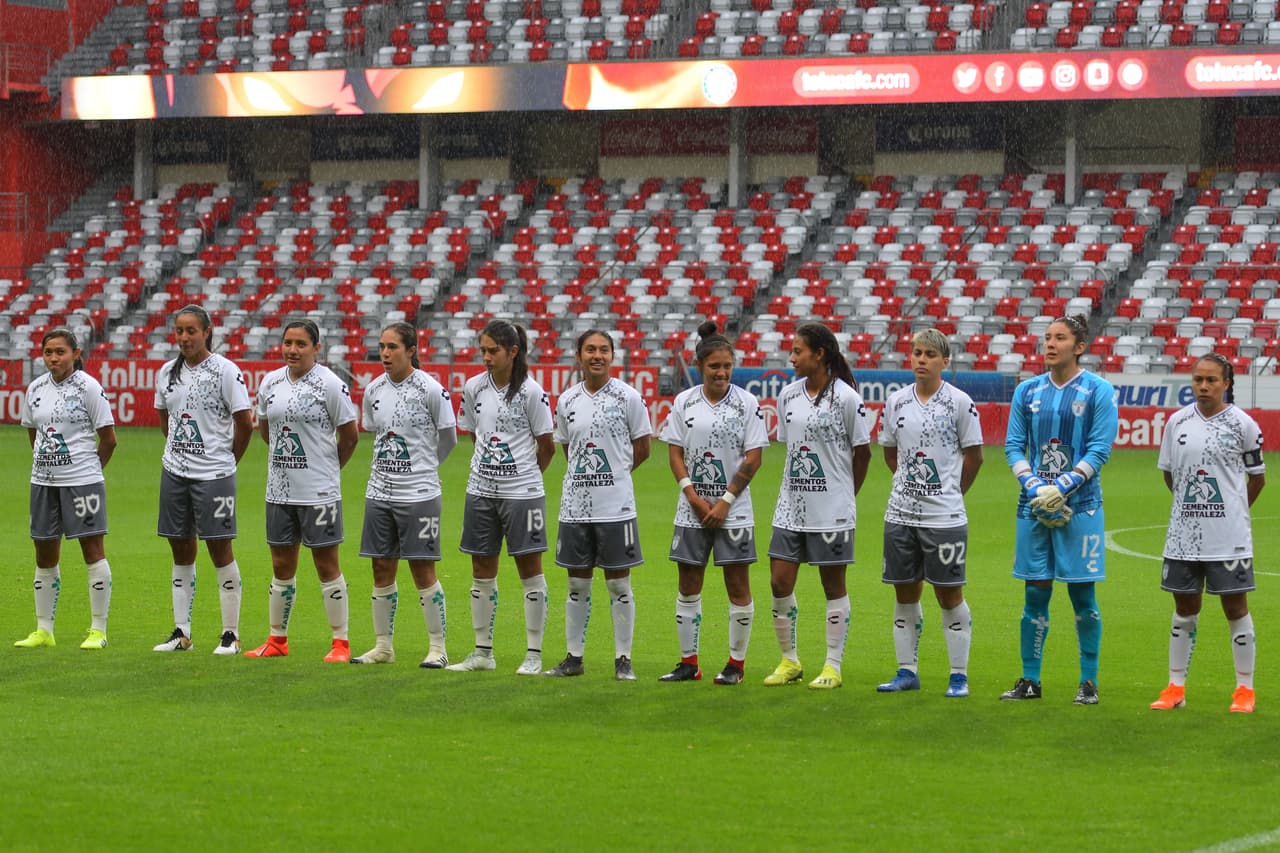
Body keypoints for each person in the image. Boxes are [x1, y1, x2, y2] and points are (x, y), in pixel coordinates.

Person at [1001, 314, 1118, 704]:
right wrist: (1036, 485)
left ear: (1079, 347)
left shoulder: (1098, 390)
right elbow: (1014, 446)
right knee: (1035, 593)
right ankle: (1030, 680)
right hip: (1033, 505)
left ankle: (1088, 682)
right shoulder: (1027, 391)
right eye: (1047, 337)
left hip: (1081, 506)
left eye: (1060, 338)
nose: (1049, 344)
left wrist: (1063, 486)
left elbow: (1099, 448)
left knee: (1082, 595)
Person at [1151, 353, 1266, 713]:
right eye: (1198, 379)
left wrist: (1232, 511)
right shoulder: (1177, 422)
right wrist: (1192, 510)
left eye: (1211, 380)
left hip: (1227, 537)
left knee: (1235, 608)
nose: (1203, 386)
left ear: (1227, 383)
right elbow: (1170, 474)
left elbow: (1257, 477)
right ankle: (1175, 687)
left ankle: (1244, 690)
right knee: (1184, 609)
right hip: (1183, 537)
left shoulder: (1242, 424)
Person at [657, 321, 768, 685]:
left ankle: (736, 665)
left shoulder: (747, 403)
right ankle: (689, 663)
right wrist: (692, 495)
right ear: (701, 366)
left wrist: (724, 501)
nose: (721, 373)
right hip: (691, 509)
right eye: (714, 366)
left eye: (727, 366)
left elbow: (753, 458)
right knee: (688, 583)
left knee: (737, 585)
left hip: (733, 510)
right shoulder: (684, 402)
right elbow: (675, 453)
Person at [876, 329, 984, 697]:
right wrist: (911, 486)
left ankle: (958, 675)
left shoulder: (959, 403)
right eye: (916, 353)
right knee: (905, 595)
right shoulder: (896, 402)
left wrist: (951, 492)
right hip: (901, 514)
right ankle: (907, 672)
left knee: (949, 595)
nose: (921, 360)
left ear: (944, 362)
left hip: (944, 519)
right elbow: (890, 454)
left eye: (929, 355)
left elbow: (975, 456)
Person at [244, 318, 359, 662]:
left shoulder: (330, 385)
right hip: (279, 490)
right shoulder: (270, 382)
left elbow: (350, 435)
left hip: (319, 492)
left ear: (316, 348)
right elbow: (265, 429)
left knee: (327, 565)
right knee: (281, 564)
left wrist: (325, 469)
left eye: (300, 344)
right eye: (288, 343)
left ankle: (341, 643)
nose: (292, 350)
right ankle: (277, 640)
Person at [765, 322, 872, 690]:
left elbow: (863, 455)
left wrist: (845, 497)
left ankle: (832, 665)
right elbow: (789, 447)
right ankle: (789, 660)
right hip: (790, 507)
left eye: (798, 351)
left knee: (833, 586)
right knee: (779, 582)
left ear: (819, 354)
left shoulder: (846, 398)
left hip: (832, 510)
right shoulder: (789, 396)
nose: (792, 357)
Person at [543, 329, 652, 681]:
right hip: (575, 508)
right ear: (579, 355)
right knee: (577, 585)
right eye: (590, 349)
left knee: (619, 585)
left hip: (616, 507)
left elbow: (643, 448)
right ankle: (574, 658)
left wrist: (614, 476)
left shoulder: (628, 397)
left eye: (604, 350)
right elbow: (567, 448)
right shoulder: (567, 400)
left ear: (612, 355)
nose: (597, 356)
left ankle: (624, 659)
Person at [447, 320, 554, 675]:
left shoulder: (531, 392)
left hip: (522, 493)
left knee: (529, 570)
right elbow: (475, 436)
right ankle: (482, 653)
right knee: (481, 570)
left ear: (513, 352)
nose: (487, 357)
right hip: (480, 490)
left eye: (493, 351)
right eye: (483, 350)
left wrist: (524, 477)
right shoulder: (474, 387)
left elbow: (547, 446)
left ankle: (534, 654)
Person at [351, 321, 457, 667]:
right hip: (379, 491)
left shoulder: (430, 389)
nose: (384, 353)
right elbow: (374, 433)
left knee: (422, 568)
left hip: (420, 494)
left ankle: (438, 649)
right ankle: (383, 647)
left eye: (392, 346)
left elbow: (448, 438)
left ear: (411, 350)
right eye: (382, 346)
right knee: (381, 567)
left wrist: (424, 469)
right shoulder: (373, 390)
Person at [151, 305, 253, 655]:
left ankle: (231, 635)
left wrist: (226, 461)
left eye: (191, 330)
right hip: (175, 472)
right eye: (179, 331)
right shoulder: (166, 372)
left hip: (214, 474)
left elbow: (245, 423)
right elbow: (165, 420)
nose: (184, 337)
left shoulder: (226, 371)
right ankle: (182, 632)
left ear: (207, 331)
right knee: (180, 549)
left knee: (220, 549)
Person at [15, 328, 117, 650]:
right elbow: (34, 434)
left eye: (60, 352)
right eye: (48, 352)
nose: (54, 358)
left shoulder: (89, 388)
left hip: (82, 483)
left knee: (92, 551)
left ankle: (98, 631)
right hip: (43, 482)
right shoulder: (35, 389)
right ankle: (44, 631)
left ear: (76, 354)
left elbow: (109, 439)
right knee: (44, 552)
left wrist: (86, 471)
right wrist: (49, 465)